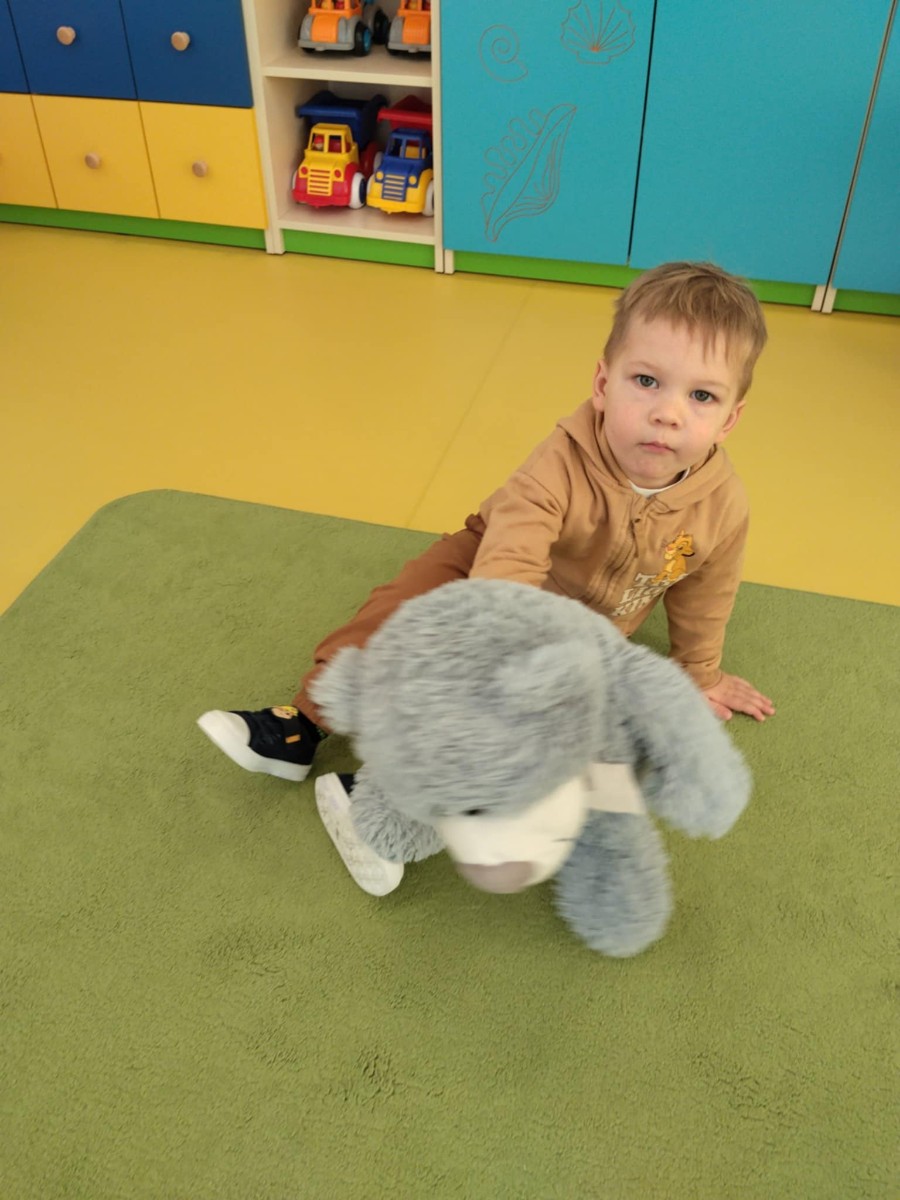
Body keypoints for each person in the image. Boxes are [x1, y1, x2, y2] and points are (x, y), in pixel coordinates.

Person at [198, 261, 775, 891]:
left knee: (576, 744)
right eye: (646, 381)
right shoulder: (560, 461)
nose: (668, 413)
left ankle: (375, 792)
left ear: (730, 419)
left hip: (588, 628)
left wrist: (699, 672)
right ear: (603, 383)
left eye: (701, 397)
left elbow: (706, 590)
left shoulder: (723, 505)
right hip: (488, 574)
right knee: (400, 611)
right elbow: (509, 559)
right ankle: (302, 723)